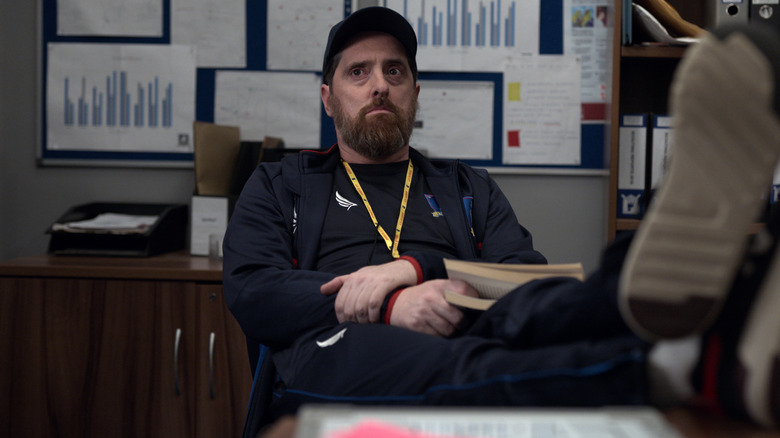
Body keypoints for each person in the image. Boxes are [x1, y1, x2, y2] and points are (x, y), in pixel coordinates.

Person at [222, 7, 780, 436]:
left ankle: (681, 293)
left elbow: (528, 280)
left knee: (545, 304)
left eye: (395, 71)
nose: (379, 85)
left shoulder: (466, 186)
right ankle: (694, 361)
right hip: (340, 344)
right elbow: (253, 288)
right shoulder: (282, 182)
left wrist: (421, 270)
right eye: (358, 72)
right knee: (464, 362)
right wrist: (392, 303)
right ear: (328, 97)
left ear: (415, 91)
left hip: (466, 317)